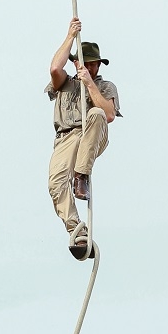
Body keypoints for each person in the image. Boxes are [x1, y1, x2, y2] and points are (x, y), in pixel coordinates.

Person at [45, 18, 120, 258]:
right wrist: (69, 36)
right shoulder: (65, 83)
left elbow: (108, 116)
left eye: (96, 65)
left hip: (92, 134)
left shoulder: (105, 86)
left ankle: (81, 175)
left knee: (97, 112)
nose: (93, 68)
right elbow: (55, 69)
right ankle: (77, 230)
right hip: (66, 138)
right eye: (89, 64)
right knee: (55, 183)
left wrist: (89, 84)